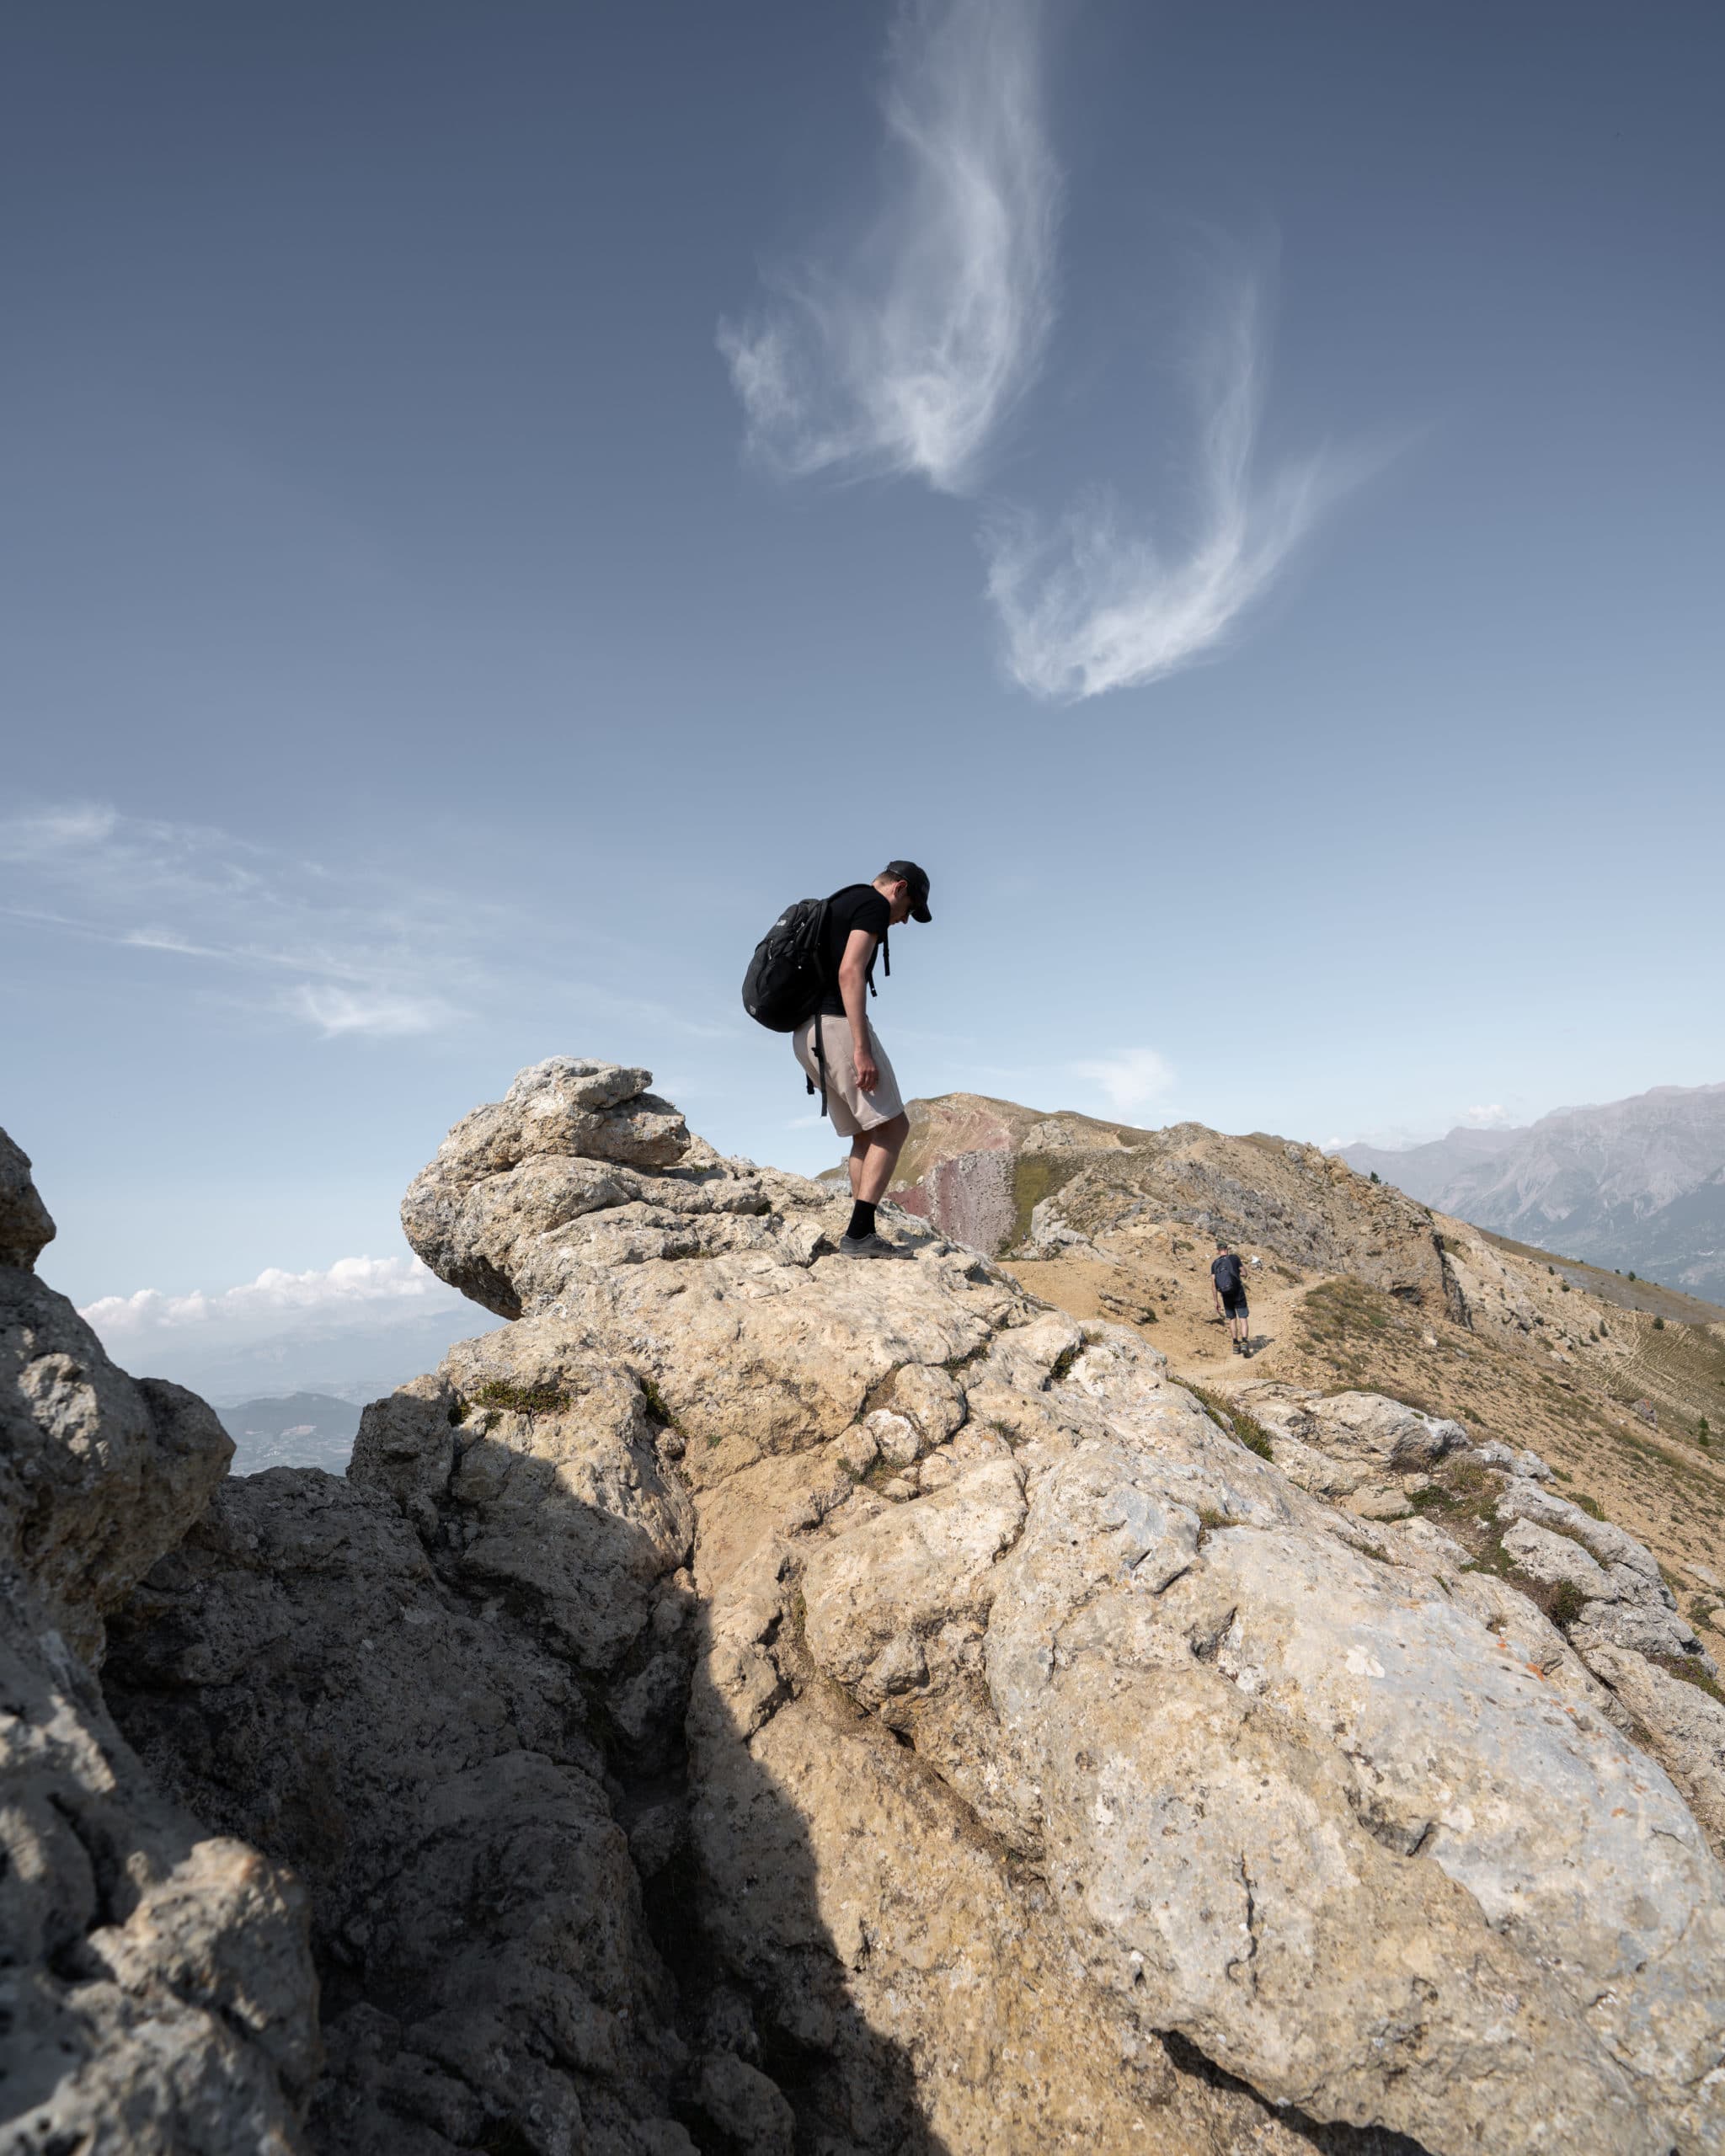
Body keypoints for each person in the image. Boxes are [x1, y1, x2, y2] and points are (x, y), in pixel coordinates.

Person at [793, 862, 932, 1258]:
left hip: (806, 1034)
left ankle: (861, 1230)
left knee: (864, 1134)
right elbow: (850, 972)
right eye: (909, 909)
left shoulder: (842, 900)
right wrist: (861, 1047)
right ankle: (859, 1234)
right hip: (837, 1026)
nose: (904, 921)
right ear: (898, 888)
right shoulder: (871, 905)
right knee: (894, 1128)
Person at [1210, 1238, 1252, 1355]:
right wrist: (1240, 1274)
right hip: (1238, 1292)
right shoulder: (1234, 1258)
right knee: (1243, 1318)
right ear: (1227, 1249)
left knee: (1232, 1319)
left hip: (1225, 1295)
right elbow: (1244, 1273)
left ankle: (1235, 1344)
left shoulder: (1214, 1264)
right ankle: (1244, 1342)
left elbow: (1213, 1285)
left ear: (1218, 1251)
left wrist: (1216, 1301)